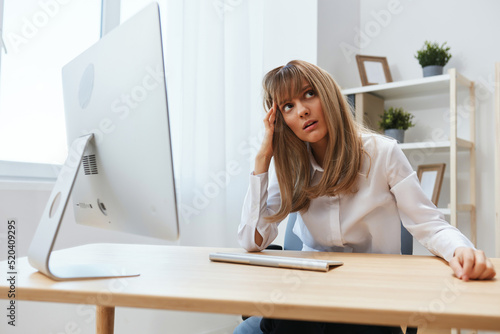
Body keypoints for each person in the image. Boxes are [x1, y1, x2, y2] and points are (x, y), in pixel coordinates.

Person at [236, 60, 496, 334]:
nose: (301, 111)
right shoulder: (290, 166)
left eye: (309, 93)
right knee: (293, 316)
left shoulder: (383, 153)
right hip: (310, 292)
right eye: (288, 106)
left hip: (371, 294)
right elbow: (252, 240)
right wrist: (263, 159)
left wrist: (460, 250)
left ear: (328, 93)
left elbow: (429, 224)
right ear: (280, 120)